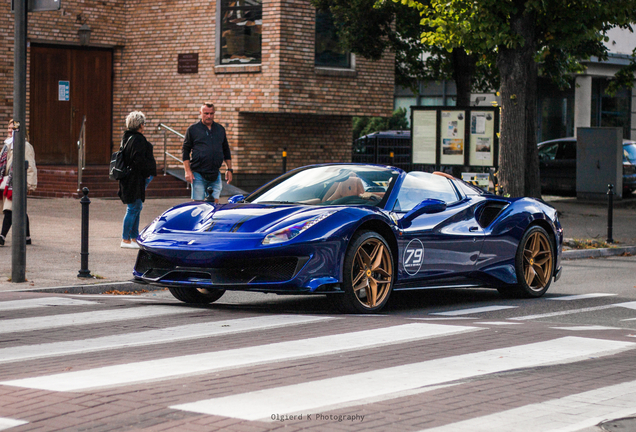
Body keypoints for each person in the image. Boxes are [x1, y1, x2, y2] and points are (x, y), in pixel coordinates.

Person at [118, 111, 157, 249]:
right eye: (144, 123)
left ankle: (134, 238)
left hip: (130, 178)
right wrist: (147, 174)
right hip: (136, 179)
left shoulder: (126, 137)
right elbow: (138, 160)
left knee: (136, 207)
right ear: (140, 125)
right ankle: (126, 239)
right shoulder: (138, 139)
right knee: (133, 208)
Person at [182, 102, 233, 203]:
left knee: (214, 204)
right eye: (206, 113)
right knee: (198, 205)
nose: (209, 116)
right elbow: (185, 150)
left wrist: (229, 169)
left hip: (215, 173)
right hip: (198, 174)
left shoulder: (220, 129)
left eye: (211, 113)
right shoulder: (193, 130)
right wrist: (187, 171)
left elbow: (226, 149)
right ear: (200, 113)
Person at [0, 120, 37, 246]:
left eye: (12, 128)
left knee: (9, 209)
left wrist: (30, 184)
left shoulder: (25, 145)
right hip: (7, 181)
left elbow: (30, 165)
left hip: (17, 182)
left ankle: (1, 237)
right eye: (9, 128)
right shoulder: (7, 144)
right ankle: (27, 237)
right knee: (19, 209)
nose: (9, 130)